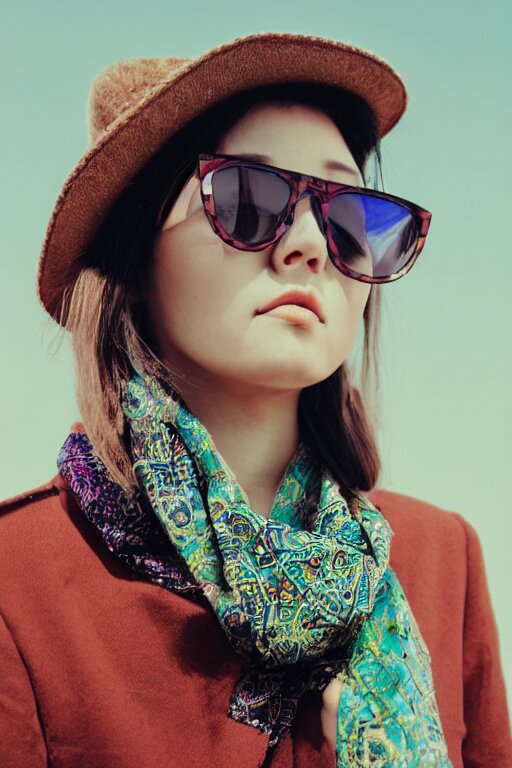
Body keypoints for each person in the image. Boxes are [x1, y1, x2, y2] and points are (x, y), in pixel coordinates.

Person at [0, 32, 510, 768]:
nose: (306, 243)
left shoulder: (441, 560)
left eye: (347, 218)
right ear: (137, 252)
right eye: (248, 197)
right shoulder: (22, 583)